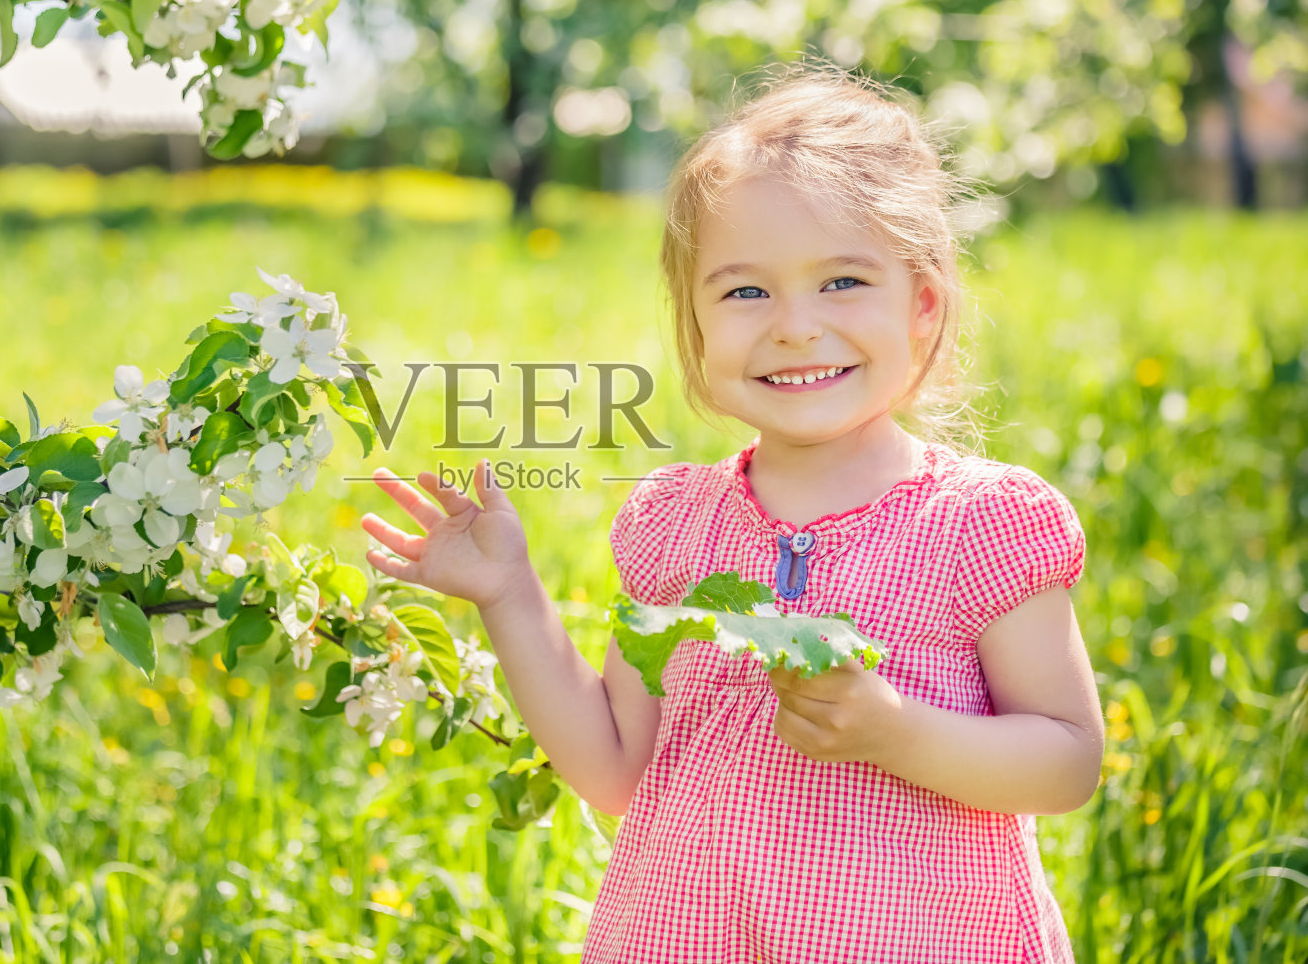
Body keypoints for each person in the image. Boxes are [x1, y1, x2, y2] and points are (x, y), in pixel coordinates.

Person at [359, 60, 1104, 963]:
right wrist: (510, 592)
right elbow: (618, 769)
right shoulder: (677, 525)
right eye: (746, 291)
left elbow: (1067, 760)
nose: (794, 325)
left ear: (923, 304)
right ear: (696, 323)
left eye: (842, 282)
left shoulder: (982, 523)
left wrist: (893, 728)